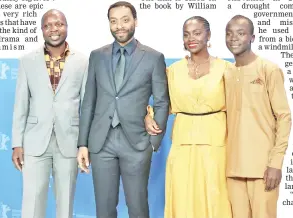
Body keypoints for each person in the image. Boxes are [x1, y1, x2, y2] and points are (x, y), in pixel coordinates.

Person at [77, 1, 170, 218]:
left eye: (125, 20)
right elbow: (89, 101)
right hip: (102, 142)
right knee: (104, 209)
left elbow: (162, 101)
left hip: (137, 142)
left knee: (137, 207)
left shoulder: (153, 57)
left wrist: (153, 142)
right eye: (114, 21)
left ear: (135, 21)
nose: (119, 26)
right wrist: (83, 143)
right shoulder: (97, 56)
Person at [145, 16, 232, 218]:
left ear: (208, 35)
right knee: (182, 193)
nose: (191, 38)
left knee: (215, 195)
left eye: (197, 33)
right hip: (183, 143)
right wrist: (146, 116)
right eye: (186, 34)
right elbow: (161, 104)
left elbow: (239, 109)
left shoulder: (226, 69)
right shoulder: (172, 71)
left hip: (216, 143)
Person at [11, 9, 89, 218]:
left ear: (66, 27)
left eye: (58, 24)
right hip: (35, 141)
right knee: (32, 204)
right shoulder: (27, 61)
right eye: (48, 25)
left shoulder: (83, 61)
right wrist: (17, 143)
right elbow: (20, 105)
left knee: (65, 205)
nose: (54, 29)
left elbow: (87, 105)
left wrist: (84, 144)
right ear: (42, 30)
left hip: (69, 141)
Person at [224, 15, 291, 218]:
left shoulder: (268, 69)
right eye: (229, 33)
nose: (233, 38)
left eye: (241, 33)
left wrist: (276, 163)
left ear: (252, 37)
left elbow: (284, 117)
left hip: (263, 168)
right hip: (233, 168)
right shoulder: (226, 73)